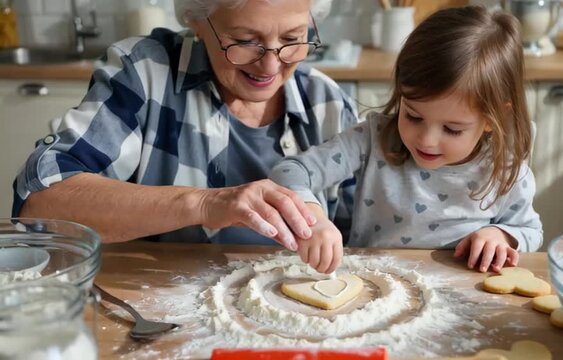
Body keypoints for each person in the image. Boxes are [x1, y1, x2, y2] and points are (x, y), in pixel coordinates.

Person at [12, 0, 359, 251]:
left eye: (292, 38)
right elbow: (41, 203)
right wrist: (206, 204)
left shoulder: (326, 103)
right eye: (245, 41)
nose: (270, 64)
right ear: (197, 19)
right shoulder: (145, 74)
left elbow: (363, 239)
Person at [270, 5, 543, 274]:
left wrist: (501, 235)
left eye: (452, 129)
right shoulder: (372, 140)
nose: (426, 140)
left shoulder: (506, 172)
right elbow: (289, 171)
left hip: (462, 298)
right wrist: (313, 218)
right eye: (412, 116)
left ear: (491, 119)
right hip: (375, 286)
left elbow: (531, 232)